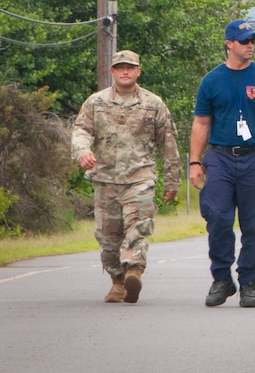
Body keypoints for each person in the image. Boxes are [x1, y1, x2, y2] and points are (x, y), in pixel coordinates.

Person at [189, 19, 255, 308]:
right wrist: (195, 162)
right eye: (245, 41)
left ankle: (249, 281)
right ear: (229, 44)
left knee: (254, 223)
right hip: (221, 156)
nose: (250, 46)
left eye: (253, 41)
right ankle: (222, 278)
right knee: (218, 216)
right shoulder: (211, 81)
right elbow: (201, 123)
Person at [72, 50, 181, 304]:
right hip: (106, 180)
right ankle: (118, 282)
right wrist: (82, 152)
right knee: (108, 240)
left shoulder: (153, 104)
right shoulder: (96, 102)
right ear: (112, 71)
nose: (125, 72)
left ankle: (134, 270)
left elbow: (168, 144)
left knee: (137, 228)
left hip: (139, 179)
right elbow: (81, 130)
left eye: (130, 68)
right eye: (120, 67)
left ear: (138, 71)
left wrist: (172, 180)